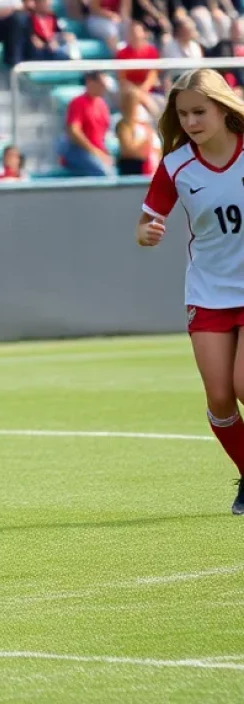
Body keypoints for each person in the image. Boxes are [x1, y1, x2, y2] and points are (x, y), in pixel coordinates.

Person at [138, 68, 244, 515]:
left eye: (200, 111)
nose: (191, 122)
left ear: (223, 108)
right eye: (183, 114)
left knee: (242, 383)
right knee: (220, 397)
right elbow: (147, 220)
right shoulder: (176, 166)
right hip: (208, 291)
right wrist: (147, 233)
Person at [59, 71, 113, 177]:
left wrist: (104, 153)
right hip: (79, 151)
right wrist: (95, 152)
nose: (103, 88)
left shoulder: (102, 104)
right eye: (100, 84)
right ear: (90, 82)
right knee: (104, 173)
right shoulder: (78, 103)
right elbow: (74, 132)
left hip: (97, 151)